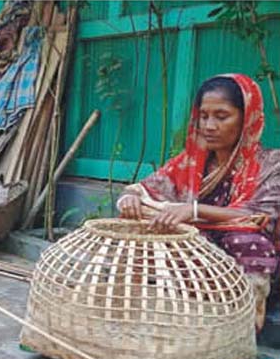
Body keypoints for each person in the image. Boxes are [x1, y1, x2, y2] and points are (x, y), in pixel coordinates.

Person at [117, 74, 280, 332]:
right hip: (196, 248)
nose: (209, 125)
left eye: (221, 116)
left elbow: (261, 216)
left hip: (241, 254)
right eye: (204, 116)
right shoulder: (192, 161)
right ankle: (152, 317)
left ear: (246, 117)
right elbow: (148, 188)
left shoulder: (271, 165)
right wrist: (131, 198)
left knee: (249, 242)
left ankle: (238, 331)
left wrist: (193, 210)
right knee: (145, 233)